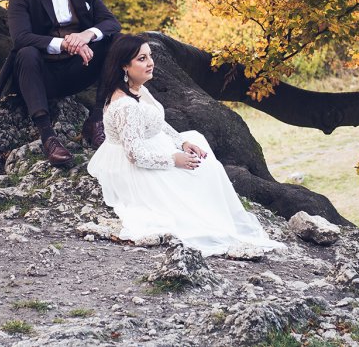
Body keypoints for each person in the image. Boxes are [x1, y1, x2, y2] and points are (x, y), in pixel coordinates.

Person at [87, 34, 286, 257]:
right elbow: (135, 155)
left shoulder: (138, 88)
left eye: (150, 56)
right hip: (135, 166)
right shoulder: (124, 105)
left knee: (201, 151)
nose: (150, 62)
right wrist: (174, 160)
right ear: (125, 65)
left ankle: (219, 213)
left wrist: (182, 142)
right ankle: (213, 221)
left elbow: (157, 121)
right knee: (192, 183)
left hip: (153, 146)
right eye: (141, 59)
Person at [0, 0, 121, 166]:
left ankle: (95, 120)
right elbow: (21, 37)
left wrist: (84, 35)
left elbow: (111, 22)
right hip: (41, 77)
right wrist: (64, 44)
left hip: (77, 70)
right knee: (26, 52)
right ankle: (48, 137)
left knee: (115, 42)